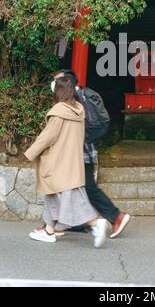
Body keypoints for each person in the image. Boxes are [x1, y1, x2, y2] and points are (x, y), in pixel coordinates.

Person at [25, 76, 108, 247]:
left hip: (58, 163)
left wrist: (30, 153)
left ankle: (95, 223)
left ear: (59, 91)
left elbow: (47, 137)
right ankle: (49, 231)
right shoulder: (78, 109)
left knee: (73, 199)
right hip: (71, 163)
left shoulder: (59, 112)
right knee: (53, 195)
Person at [51, 69, 130, 239]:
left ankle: (115, 216)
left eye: (57, 81)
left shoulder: (75, 100)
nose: (54, 85)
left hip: (80, 153)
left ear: (67, 83)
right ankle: (68, 224)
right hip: (82, 152)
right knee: (75, 187)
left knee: (84, 188)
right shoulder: (76, 97)